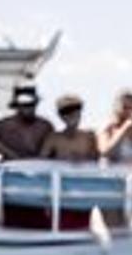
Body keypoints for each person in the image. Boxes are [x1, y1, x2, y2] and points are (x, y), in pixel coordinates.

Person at [0, 84, 57, 229]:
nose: (28, 108)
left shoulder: (46, 126)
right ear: (16, 105)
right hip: (9, 190)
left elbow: (53, 159)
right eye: (24, 104)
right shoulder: (1, 126)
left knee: (41, 229)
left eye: (31, 104)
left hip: (40, 190)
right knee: (11, 227)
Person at [42, 95, 99, 230]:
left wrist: (82, 160)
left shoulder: (89, 136)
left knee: (83, 225)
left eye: (76, 112)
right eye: (66, 112)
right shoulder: (54, 138)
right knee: (61, 224)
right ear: (61, 116)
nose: (72, 116)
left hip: (84, 188)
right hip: (61, 189)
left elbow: (96, 159)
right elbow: (41, 161)